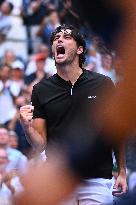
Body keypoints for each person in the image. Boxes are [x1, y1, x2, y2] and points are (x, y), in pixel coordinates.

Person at [19, 25, 127, 205]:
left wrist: (122, 171)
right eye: (55, 38)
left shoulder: (103, 84)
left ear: (80, 49)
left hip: (97, 178)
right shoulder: (40, 90)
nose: (59, 40)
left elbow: (116, 131)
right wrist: (25, 126)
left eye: (66, 37)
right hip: (58, 180)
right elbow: (40, 144)